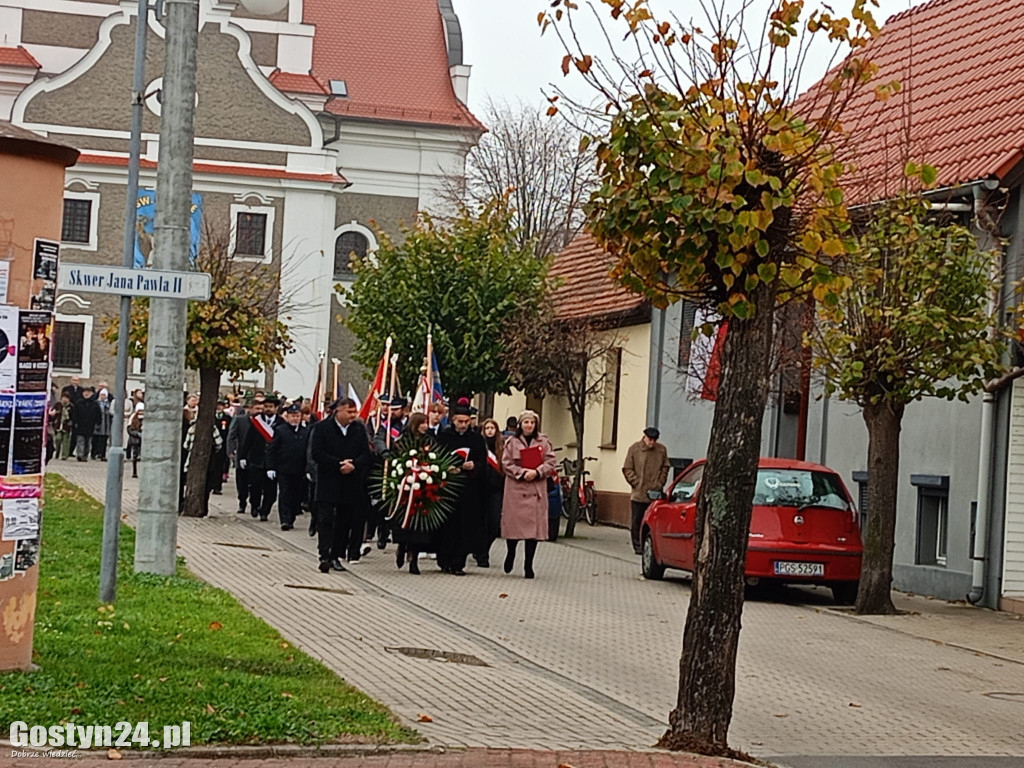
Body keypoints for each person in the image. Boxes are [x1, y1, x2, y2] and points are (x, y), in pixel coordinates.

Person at [310, 398, 371, 573]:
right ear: (338, 411)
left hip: (350, 482)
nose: (353, 416)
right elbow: (317, 453)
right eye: (349, 412)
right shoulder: (322, 428)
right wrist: (337, 464)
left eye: (354, 412)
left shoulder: (359, 429)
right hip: (329, 481)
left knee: (343, 522)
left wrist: (354, 465)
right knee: (326, 519)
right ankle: (324, 555)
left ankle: (336, 555)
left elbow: (365, 454)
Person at [501, 409, 556, 579]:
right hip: (516, 488)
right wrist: (521, 471)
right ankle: (511, 553)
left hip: (535, 488)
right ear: (520, 424)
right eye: (526, 422)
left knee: (532, 532)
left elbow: (551, 461)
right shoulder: (512, 442)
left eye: (532, 422)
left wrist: (538, 472)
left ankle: (528, 564)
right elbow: (506, 463)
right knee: (514, 528)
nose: (529, 425)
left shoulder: (544, 442)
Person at [437, 398, 488, 574]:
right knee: (447, 527)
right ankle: (444, 560)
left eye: (467, 422)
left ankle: (458, 563)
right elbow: (435, 458)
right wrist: (446, 468)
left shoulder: (476, 439)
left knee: (464, 527)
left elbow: (483, 463)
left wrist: (474, 466)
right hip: (447, 488)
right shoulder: (444, 436)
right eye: (460, 421)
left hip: (468, 489)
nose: (463, 425)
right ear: (453, 420)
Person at [392, 412, 437, 575]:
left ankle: (414, 559)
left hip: (423, 488)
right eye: (422, 423)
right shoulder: (403, 440)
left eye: (426, 423)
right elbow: (396, 457)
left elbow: (435, 457)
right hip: (406, 489)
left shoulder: (430, 440)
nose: (426, 426)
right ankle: (402, 547)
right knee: (405, 524)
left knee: (419, 527)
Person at [622, 426, 671, 556]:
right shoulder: (634, 449)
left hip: (654, 493)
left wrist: (660, 483)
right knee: (637, 520)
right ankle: (638, 546)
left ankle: (650, 546)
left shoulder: (661, 450)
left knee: (653, 521)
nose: (652, 442)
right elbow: (627, 468)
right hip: (638, 493)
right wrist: (636, 482)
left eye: (654, 440)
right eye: (650, 439)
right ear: (644, 437)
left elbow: (665, 467)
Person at [266, 403, 310, 531]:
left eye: (297, 416)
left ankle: (291, 517)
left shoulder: (305, 432)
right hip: (284, 469)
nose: (295, 418)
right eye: (292, 416)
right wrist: (271, 467)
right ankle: (285, 520)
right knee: (285, 493)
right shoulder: (280, 430)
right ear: (288, 417)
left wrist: (308, 469)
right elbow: (272, 450)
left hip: (299, 470)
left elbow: (308, 452)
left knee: (296, 496)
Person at [240, 399, 279, 521]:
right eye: (266, 406)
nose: (268, 409)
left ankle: (265, 511)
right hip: (256, 460)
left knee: (271, 491)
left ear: (276, 408)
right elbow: (248, 440)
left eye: (271, 407)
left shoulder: (281, 423)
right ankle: (255, 505)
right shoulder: (257, 422)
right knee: (255, 486)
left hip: (272, 463)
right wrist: (243, 456)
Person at [481, 418, 505, 560]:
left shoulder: (501, 448)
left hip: (496, 489)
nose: (490, 430)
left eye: (492, 428)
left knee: (494, 523)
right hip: (481, 488)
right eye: (487, 428)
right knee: (481, 523)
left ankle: (485, 548)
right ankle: (481, 554)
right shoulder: (479, 445)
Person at [227, 400, 251, 514]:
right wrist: (231, 451)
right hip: (241, 454)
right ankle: (242, 501)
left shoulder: (263, 422)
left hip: (257, 456)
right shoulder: (240, 420)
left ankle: (255, 504)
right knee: (242, 482)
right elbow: (231, 436)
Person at [71, 387, 101, 462]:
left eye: (88, 392)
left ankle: (85, 455)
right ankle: (80, 455)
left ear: (91, 394)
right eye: (85, 392)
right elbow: (74, 414)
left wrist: (98, 423)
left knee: (88, 442)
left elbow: (98, 415)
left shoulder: (95, 404)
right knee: (80, 440)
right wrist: (75, 423)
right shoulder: (78, 403)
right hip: (80, 425)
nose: (86, 394)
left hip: (90, 426)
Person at [50, 393, 73, 461]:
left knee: (66, 441)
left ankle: (64, 455)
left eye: (66, 398)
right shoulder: (58, 405)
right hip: (58, 425)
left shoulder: (71, 406)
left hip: (66, 426)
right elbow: (53, 413)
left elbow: (73, 416)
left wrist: (71, 422)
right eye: (63, 397)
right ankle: (57, 452)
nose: (64, 399)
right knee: (58, 439)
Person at [91, 390, 113, 460]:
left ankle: (102, 454)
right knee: (95, 440)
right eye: (101, 395)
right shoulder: (96, 403)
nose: (103, 397)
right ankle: (94, 453)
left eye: (104, 395)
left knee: (104, 440)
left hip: (106, 424)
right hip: (98, 424)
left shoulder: (108, 404)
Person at [126, 408, 144, 478]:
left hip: (142, 441)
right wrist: (137, 434)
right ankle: (134, 472)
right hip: (135, 440)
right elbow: (129, 429)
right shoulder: (133, 418)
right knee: (135, 457)